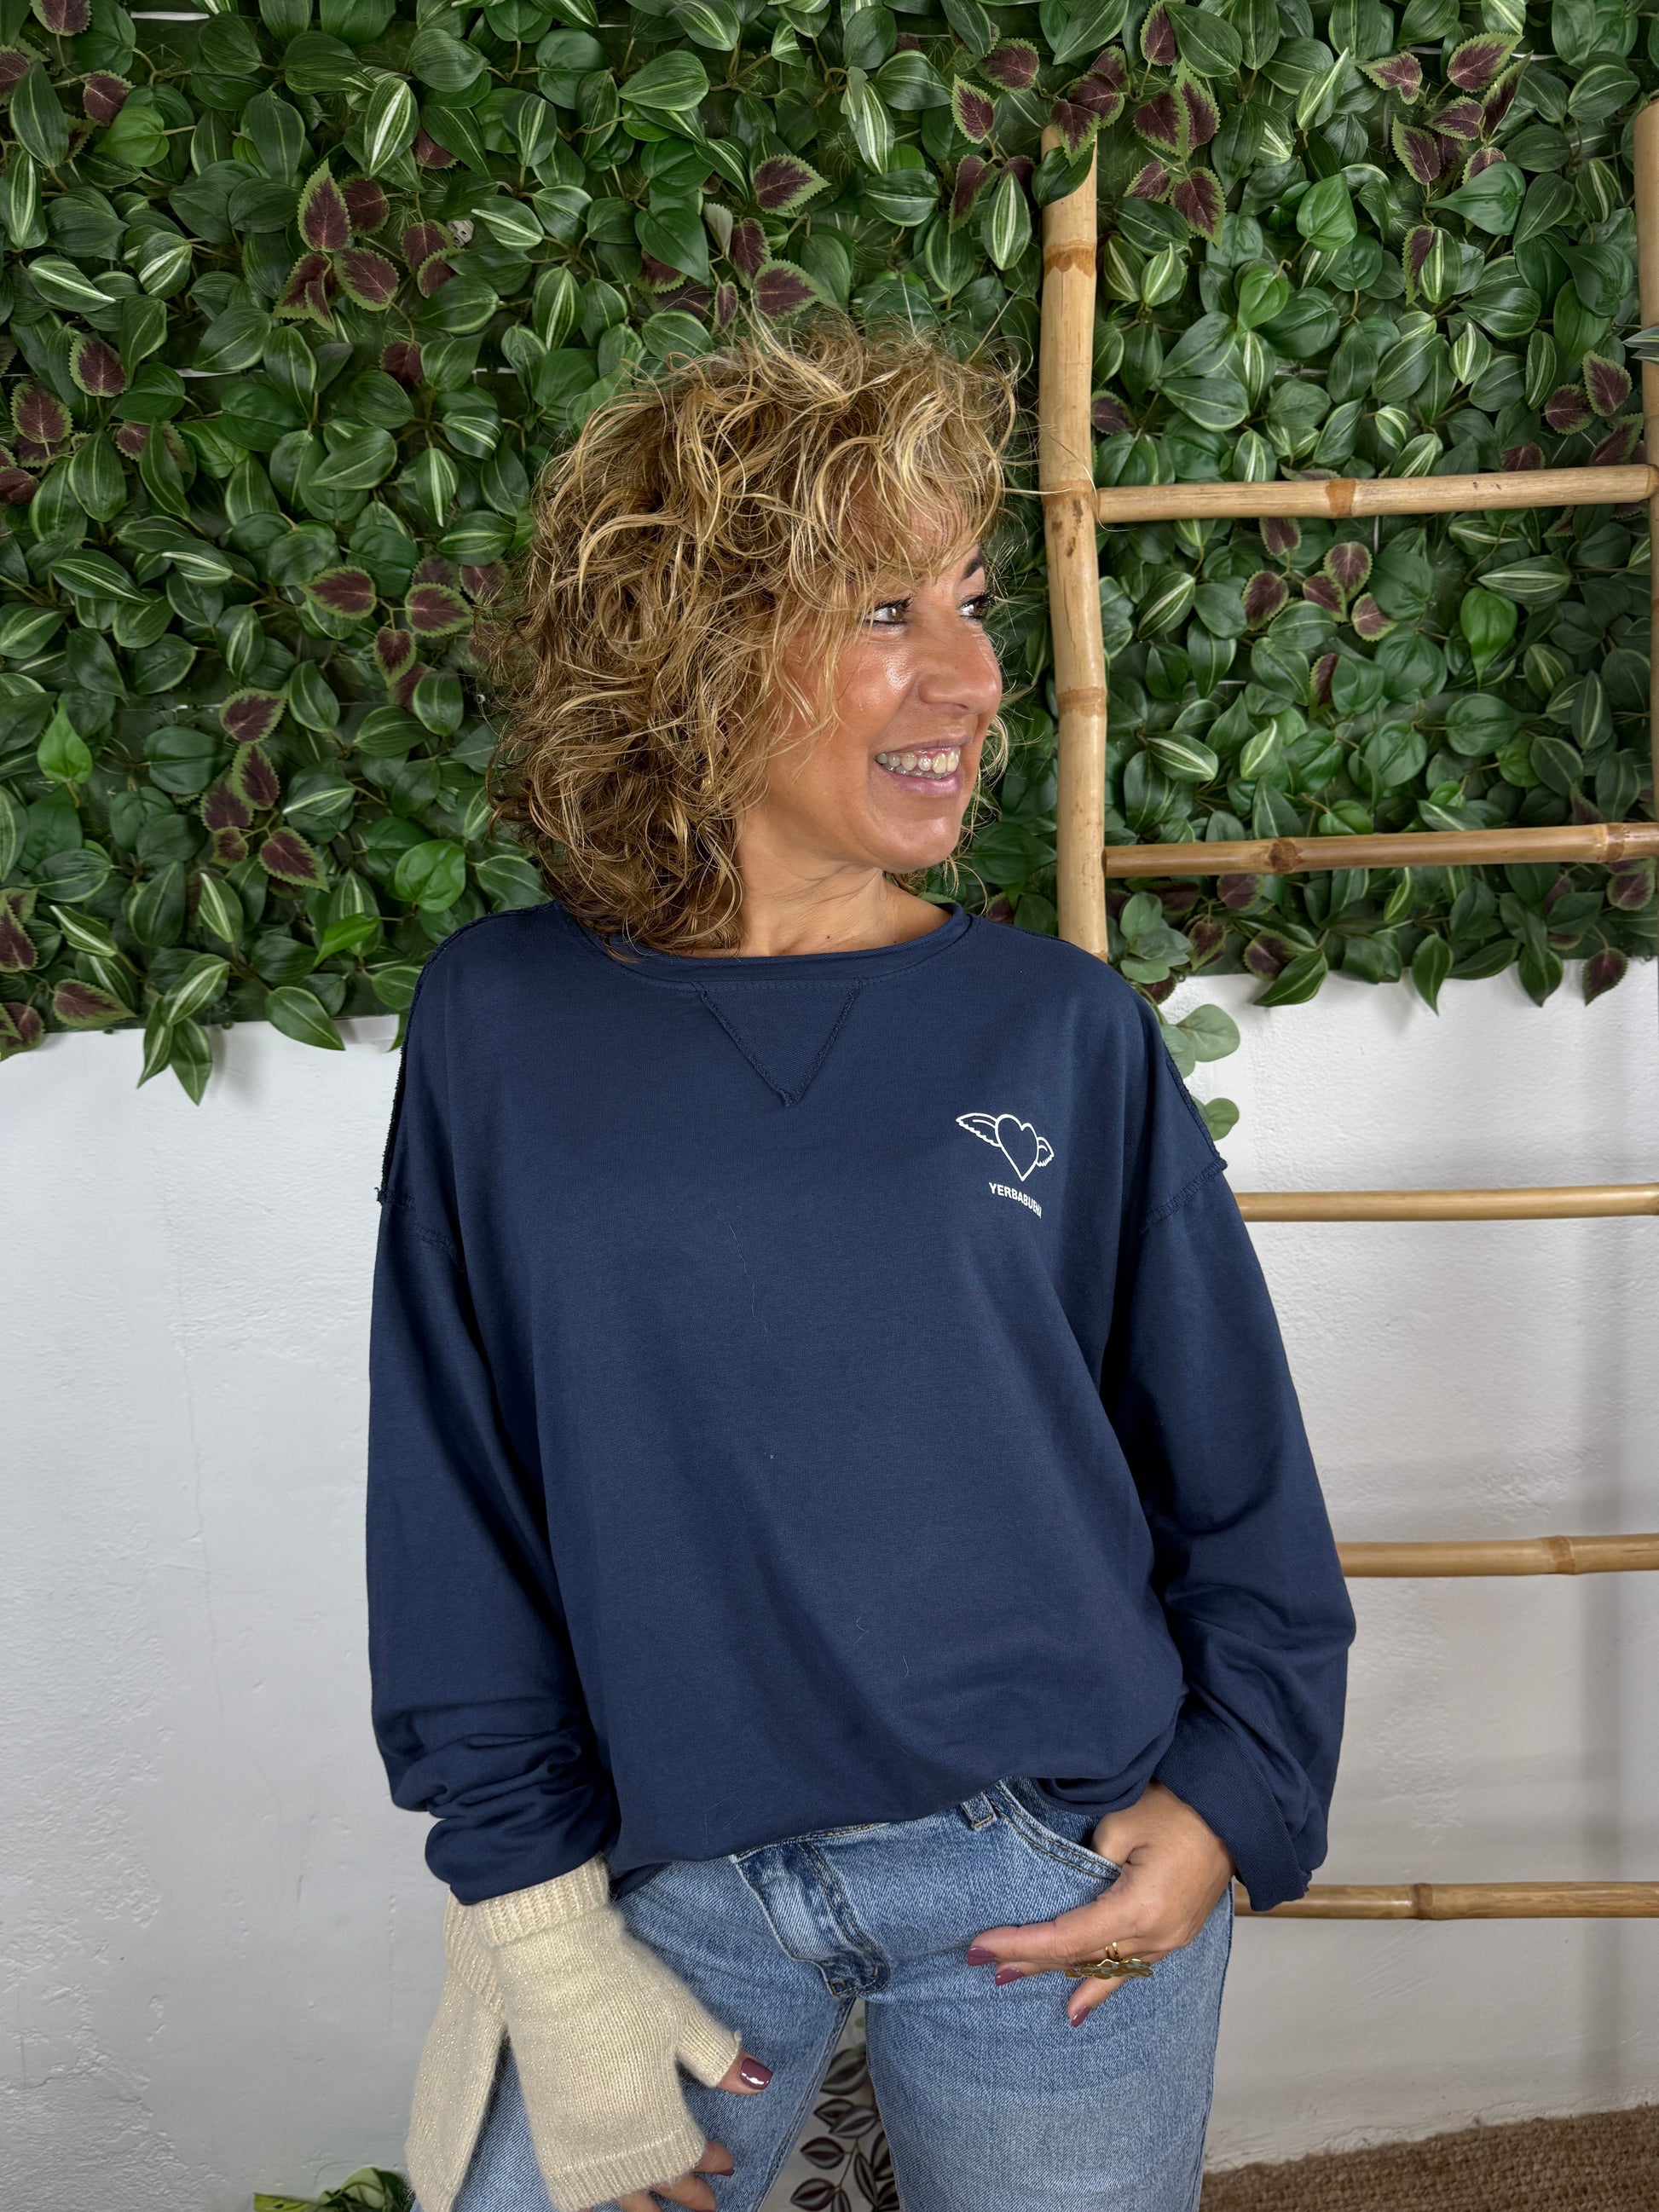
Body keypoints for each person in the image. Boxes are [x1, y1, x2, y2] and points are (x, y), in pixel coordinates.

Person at [366, 317, 1356, 2212]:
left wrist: (1231, 1795)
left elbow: (1233, 1474)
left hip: (1049, 1862)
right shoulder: (500, 1023)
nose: (973, 677)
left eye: (972, 602)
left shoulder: (1057, 1028)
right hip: (665, 1890)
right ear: (695, 643)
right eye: (885, 608)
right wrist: (540, 1939)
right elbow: (451, 1500)